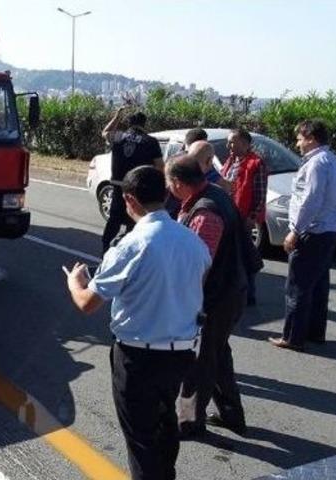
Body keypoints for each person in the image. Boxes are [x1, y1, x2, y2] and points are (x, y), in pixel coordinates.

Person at [64, 166, 211, 480]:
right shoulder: (193, 242)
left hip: (138, 357)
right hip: (181, 353)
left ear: (130, 200)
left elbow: (87, 303)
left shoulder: (131, 245)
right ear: (167, 193)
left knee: (141, 438)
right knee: (164, 421)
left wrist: (75, 282)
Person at [166, 155, 249, 438]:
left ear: (178, 182)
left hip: (216, 296)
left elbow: (199, 266)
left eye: (169, 182)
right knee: (218, 355)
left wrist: (184, 303)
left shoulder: (205, 213)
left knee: (199, 360)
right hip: (229, 289)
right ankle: (232, 415)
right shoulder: (212, 195)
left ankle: (189, 422)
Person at [270, 120, 336, 351]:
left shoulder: (316, 164)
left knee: (298, 286)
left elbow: (310, 201)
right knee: (318, 284)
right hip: (329, 229)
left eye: (300, 139)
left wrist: (295, 231)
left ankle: (293, 337)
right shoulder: (335, 161)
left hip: (313, 231)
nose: (298, 143)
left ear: (311, 138)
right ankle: (314, 332)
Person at [101, 109, 164, 252]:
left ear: (129, 124)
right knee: (134, 220)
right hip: (138, 187)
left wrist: (117, 116)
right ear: (144, 124)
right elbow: (160, 166)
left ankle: (105, 249)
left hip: (118, 186)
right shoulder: (150, 141)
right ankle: (129, 251)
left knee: (114, 220)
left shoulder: (118, 137)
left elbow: (105, 132)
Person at [220, 128, 267, 305]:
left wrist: (251, 218)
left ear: (245, 143)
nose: (228, 145)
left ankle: (248, 294)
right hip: (227, 215)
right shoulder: (231, 160)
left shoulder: (256, 163)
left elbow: (260, 195)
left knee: (244, 257)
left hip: (243, 218)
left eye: (232, 141)